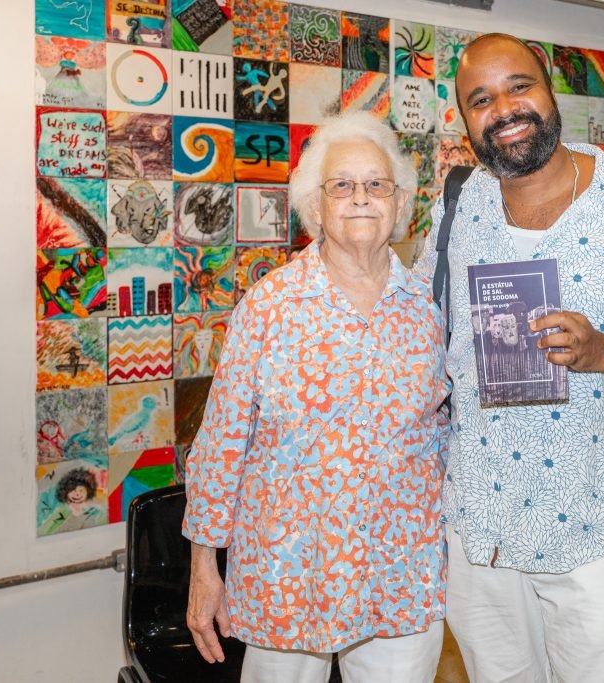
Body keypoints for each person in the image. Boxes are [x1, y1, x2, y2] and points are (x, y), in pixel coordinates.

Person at [417, 34, 604, 682]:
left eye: (518, 85)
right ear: (464, 120)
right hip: (480, 525)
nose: (504, 108)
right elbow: (419, 319)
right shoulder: (459, 204)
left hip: (595, 526)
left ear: (550, 88)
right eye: (481, 99)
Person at [183, 111, 451, 683]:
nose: (361, 198)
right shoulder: (270, 305)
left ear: (401, 204)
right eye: (342, 185)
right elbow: (222, 439)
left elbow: (451, 430)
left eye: (377, 184)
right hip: (287, 572)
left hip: (399, 574)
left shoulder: (429, 310)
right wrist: (204, 567)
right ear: (315, 205)